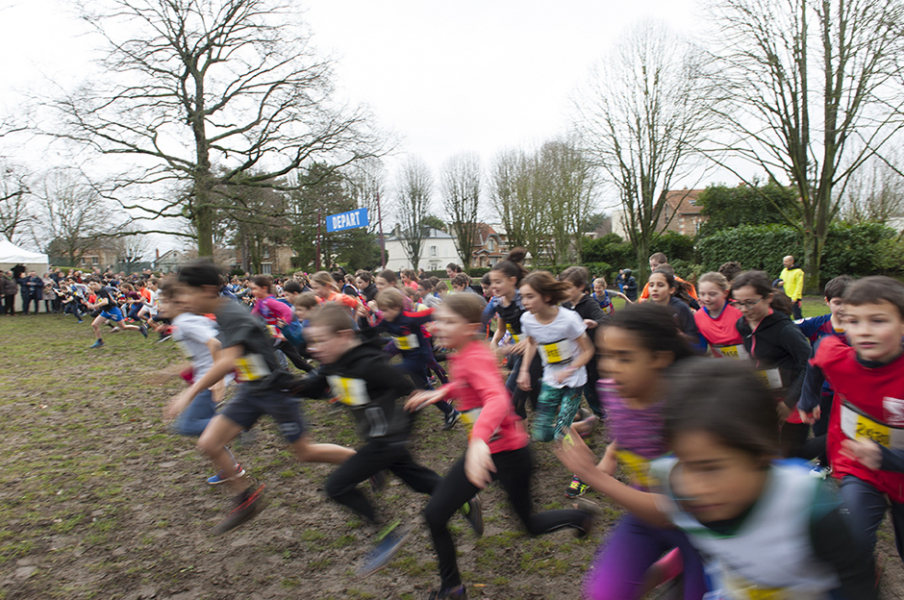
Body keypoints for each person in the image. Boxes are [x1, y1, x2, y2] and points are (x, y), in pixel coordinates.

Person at [557, 358, 877, 600]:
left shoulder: (809, 506)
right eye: (685, 463)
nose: (694, 487)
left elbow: (856, 581)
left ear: (762, 456)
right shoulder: (678, 481)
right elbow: (686, 529)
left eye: (712, 468)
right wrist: (653, 575)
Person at [407, 294, 594, 600]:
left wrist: (479, 440)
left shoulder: (474, 356)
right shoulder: (465, 352)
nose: (438, 326)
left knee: (530, 524)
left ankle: (580, 517)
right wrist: (439, 393)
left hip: (508, 454)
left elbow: (496, 398)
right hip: (484, 452)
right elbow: (468, 385)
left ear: (469, 328)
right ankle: (451, 589)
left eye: (448, 321)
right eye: (438, 320)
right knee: (435, 515)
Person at [164, 260, 355, 535]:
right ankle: (246, 498)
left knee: (306, 452)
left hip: (275, 391)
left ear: (206, 290)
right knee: (209, 443)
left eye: (185, 293)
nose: (182, 300)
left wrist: (189, 392)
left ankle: (362, 462)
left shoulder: (232, 313)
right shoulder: (220, 313)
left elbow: (227, 359)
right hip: (251, 391)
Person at [295, 304, 481, 576]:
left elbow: (408, 390)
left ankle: (387, 534)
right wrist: (283, 386)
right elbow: (313, 388)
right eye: (312, 342)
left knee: (336, 486)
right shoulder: (333, 366)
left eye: (321, 340)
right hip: (380, 439)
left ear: (345, 336)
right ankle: (466, 501)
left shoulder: (369, 364)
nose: (315, 348)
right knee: (417, 480)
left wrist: (401, 431)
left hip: (385, 441)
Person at [557, 304, 707, 599]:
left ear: (660, 359)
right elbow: (624, 438)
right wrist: (606, 461)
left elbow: (673, 509)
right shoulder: (613, 391)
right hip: (645, 515)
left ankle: (675, 565)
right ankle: (671, 565)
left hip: (701, 530)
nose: (609, 367)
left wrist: (592, 476)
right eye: (606, 355)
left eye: (624, 357)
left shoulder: (687, 409)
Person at [805, 276, 904, 563]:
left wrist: (885, 456)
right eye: (854, 321)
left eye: (878, 321)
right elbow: (819, 352)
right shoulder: (838, 356)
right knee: (850, 541)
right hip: (861, 470)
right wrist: (807, 399)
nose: (864, 331)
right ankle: (860, 578)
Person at [732, 270, 811, 457]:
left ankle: (837, 442)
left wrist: (788, 402)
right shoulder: (742, 325)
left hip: (794, 400)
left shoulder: (785, 330)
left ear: (768, 298)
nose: (744, 309)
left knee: (792, 454)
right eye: (738, 303)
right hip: (769, 396)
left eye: (750, 302)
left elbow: (809, 363)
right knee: (770, 450)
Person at [517, 271, 596, 445]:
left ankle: (580, 465)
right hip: (551, 378)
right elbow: (531, 343)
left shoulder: (568, 319)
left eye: (530, 296)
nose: (524, 302)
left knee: (561, 434)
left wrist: (568, 370)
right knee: (542, 434)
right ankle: (583, 425)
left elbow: (588, 351)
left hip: (574, 379)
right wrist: (524, 371)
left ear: (546, 296)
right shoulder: (527, 320)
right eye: (522, 297)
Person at [369, 287, 460, 430]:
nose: (382, 314)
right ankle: (451, 412)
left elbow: (432, 312)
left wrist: (450, 317)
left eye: (385, 310)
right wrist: (362, 319)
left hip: (419, 358)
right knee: (426, 389)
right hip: (407, 357)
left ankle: (389, 410)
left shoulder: (409, 318)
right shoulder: (386, 321)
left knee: (389, 373)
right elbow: (371, 332)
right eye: (381, 310)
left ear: (397, 307)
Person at [487, 249, 541, 419]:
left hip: (535, 350)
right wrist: (494, 342)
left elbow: (540, 329)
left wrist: (521, 345)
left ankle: (576, 415)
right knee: (525, 399)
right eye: (491, 282)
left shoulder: (525, 300)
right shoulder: (499, 302)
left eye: (498, 282)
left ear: (512, 281)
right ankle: (522, 435)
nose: (493, 286)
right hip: (520, 352)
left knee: (510, 398)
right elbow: (501, 329)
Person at [693, 271, 745, 358]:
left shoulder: (740, 311)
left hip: (752, 363)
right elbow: (701, 348)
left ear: (725, 293)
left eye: (712, 294)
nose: (706, 299)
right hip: (724, 367)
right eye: (702, 294)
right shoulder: (698, 317)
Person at [86, 278, 147, 348]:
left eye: (94, 284)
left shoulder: (102, 290)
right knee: (94, 325)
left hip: (113, 310)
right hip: (106, 311)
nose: (93, 286)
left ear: (99, 283)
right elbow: (105, 298)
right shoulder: (98, 291)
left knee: (123, 327)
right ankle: (99, 341)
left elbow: (106, 302)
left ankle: (141, 329)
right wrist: (95, 305)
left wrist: (95, 305)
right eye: (91, 285)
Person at [645, 268, 700, 344]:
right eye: (651, 285)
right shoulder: (648, 308)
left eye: (660, 285)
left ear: (671, 290)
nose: (654, 289)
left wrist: (681, 336)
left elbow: (694, 338)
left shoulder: (681, 308)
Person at [779, 255, 805, 319]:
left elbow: (799, 285)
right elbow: (780, 280)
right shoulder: (784, 271)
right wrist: (779, 283)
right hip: (785, 296)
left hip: (794, 298)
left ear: (792, 261)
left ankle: (801, 328)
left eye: (786, 261)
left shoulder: (798, 272)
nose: (784, 263)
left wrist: (794, 298)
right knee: (785, 315)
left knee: (797, 315)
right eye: (784, 261)